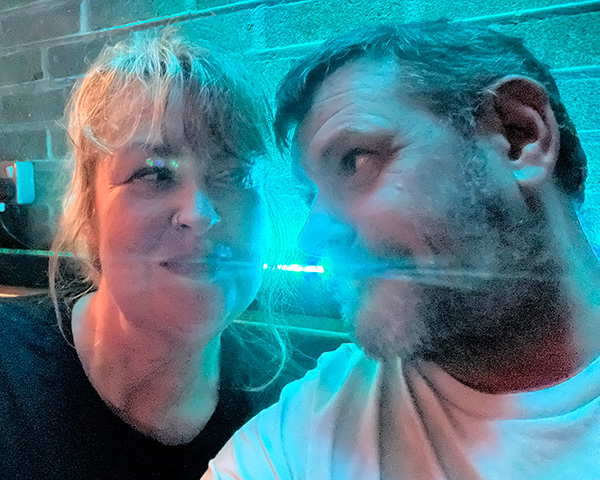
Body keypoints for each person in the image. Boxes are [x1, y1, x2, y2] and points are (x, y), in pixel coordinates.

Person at [203, 22, 600, 479]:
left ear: (518, 137)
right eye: (311, 197)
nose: (311, 239)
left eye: (355, 160)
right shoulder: (303, 437)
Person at [0, 29, 286, 479]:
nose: (200, 213)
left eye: (234, 175)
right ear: (89, 215)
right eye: (153, 174)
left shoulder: (296, 416)